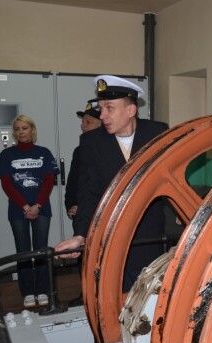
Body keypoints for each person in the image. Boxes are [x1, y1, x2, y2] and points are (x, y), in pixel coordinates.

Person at [55, 75, 168, 292]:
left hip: (150, 238)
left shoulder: (157, 133)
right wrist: (81, 235)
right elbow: (88, 193)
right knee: (116, 302)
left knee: (151, 303)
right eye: (101, 108)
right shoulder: (91, 142)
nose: (102, 115)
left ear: (131, 110)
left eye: (109, 108)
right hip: (111, 239)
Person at [0, 115, 60, 308]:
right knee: (23, 251)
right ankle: (28, 292)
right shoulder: (7, 155)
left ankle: (43, 290)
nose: (20, 132)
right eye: (17, 129)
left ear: (32, 129)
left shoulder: (44, 153)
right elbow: (7, 185)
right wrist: (25, 206)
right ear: (14, 133)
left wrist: (37, 205)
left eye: (24, 128)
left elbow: (49, 182)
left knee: (41, 250)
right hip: (17, 210)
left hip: (41, 209)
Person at [64, 101, 102, 307]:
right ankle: (85, 294)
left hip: (101, 213)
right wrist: (71, 204)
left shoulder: (109, 151)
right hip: (81, 213)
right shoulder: (80, 151)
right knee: (83, 257)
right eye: (83, 122)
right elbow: (74, 182)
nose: (82, 125)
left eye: (88, 122)